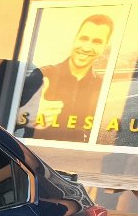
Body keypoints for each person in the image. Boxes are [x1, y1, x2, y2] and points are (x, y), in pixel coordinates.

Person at [21, 13, 113, 142]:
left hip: (78, 159)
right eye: (83, 38)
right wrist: (23, 116)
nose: (86, 47)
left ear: (104, 48)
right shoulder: (42, 76)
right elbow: (1, 122)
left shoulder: (102, 85)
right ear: (75, 39)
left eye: (96, 42)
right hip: (35, 158)